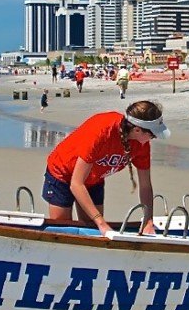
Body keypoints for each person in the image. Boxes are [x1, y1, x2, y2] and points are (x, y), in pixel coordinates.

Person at [43, 100, 169, 237]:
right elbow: (76, 184)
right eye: (153, 134)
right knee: (62, 229)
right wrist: (102, 223)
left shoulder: (142, 145)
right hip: (62, 173)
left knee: (92, 229)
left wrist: (148, 221)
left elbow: (145, 186)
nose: (154, 138)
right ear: (137, 129)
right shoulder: (102, 131)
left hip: (94, 179)